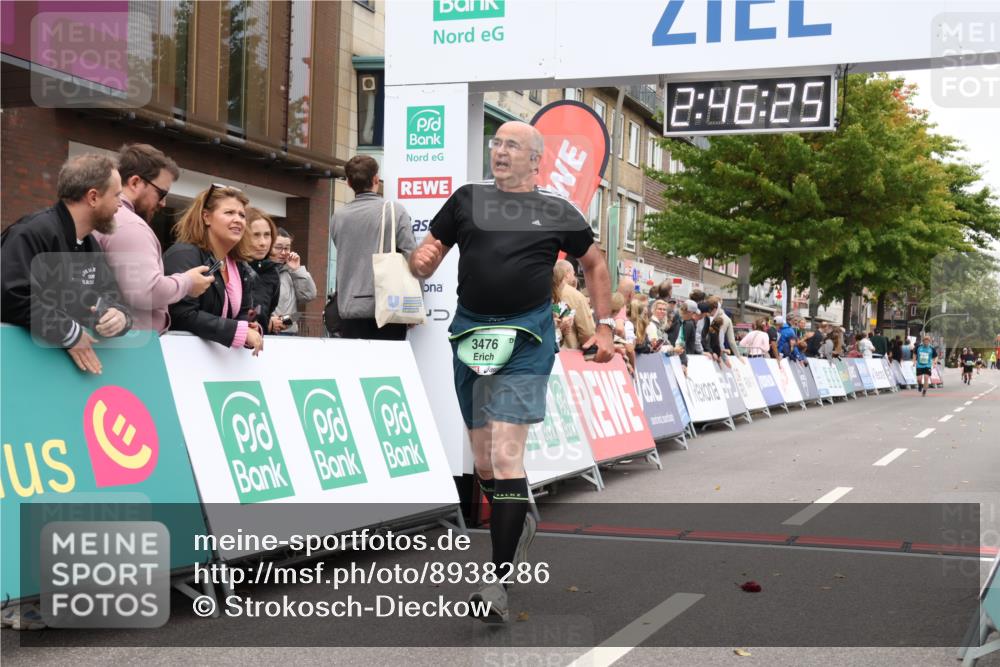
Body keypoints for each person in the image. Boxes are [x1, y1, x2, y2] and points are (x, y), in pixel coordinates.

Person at [408, 120, 614, 624]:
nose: (499, 151)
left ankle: (495, 582)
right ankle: (516, 521)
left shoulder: (557, 211)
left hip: (527, 337)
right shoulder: (467, 199)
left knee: (505, 455)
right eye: (496, 143)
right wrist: (424, 258)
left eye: (512, 145)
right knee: (482, 461)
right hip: (472, 335)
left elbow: (596, 265)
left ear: (535, 160)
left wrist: (605, 327)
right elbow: (432, 247)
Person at [1, 153, 132, 375]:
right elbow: (10, 295)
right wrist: (68, 332)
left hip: (56, 374)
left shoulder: (91, 244)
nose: (120, 203)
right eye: (117, 195)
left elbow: (112, 297)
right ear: (93, 197)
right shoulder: (32, 232)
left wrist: (119, 317)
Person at [92, 143, 213, 333]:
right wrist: (188, 282)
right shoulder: (131, 226)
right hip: (128, 348)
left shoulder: (108, 218)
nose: (163, 203)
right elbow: (145, 292)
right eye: (161, 193)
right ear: (134, 183)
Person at [162, 184, 263, 355]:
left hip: (219, 367)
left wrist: (249, 328)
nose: (238, 219)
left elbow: (242, 315)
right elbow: (181, 314)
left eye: (242, 215)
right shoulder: (184, 254)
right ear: (206, 217)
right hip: (180, 361)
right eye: (229, 213)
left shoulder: (239, 266)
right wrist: (236, 331)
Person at [331, 155, 413, 340]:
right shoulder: (395, 211)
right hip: (388, 307)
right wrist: (413, 304)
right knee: (388, 368)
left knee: (356, 367)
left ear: (349, 183)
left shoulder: (338, 216)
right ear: (376, 179)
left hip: (349, 308)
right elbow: (412, 258)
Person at [270, 227, 317, 336]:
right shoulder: (258, 271)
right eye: (278, 248)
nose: (283, 252)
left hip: (289, 332)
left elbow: (309, 295)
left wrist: (297, 270)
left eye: (287, 248)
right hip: (266, 330)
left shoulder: (291, 272)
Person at [244, 207, 282, 333]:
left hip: (258, 347)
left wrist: (267, 324)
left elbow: (267, 310)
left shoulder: (272, 272)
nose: (263, 243)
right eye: (255, 235)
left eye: (267, 235)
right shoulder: (231, 267)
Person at [554, 258, 595, 348]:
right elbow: (587, 332)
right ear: (567, 274)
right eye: (573, 274)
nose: (574, 277)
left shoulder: (545, 292)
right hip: (569, 353)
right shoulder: (576, 296)